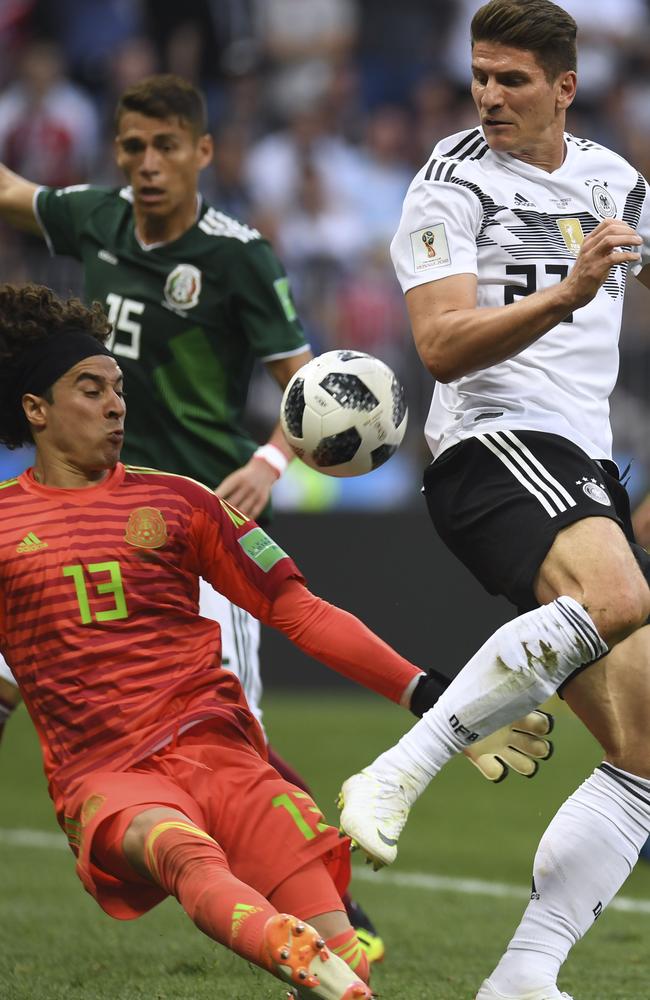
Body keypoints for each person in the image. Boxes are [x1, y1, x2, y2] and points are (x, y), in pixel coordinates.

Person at [0, 71, 554, 962]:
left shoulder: (237, 256)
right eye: (132, 148)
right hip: (63, 529)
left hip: (187, 525)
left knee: (232, 746)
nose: (147, 166)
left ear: (203, 154)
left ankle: (320, 908)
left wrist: (266, 462)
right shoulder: (95, 219)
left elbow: (311, 391)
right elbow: (11, 192)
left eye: (166, 148)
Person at [337, 2, 650, 999]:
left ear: (563, 87)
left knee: (644, 746)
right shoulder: (449, 179)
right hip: (490, 446)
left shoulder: (615, 182)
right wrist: (562, 293)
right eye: (479, 75)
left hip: (581, 466)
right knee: (618, 597)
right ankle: (396, 771)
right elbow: (435, 344)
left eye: (511, 80)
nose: (487, 95)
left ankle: (522, 975)